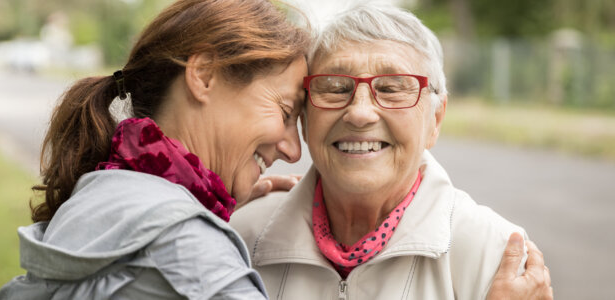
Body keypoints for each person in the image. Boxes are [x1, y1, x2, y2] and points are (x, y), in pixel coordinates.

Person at [230, 3, 553, 299]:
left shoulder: (495, 253)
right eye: (335, 87)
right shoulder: (241, 236)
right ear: (304, 117)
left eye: (392, 88)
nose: (359, 114)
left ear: (435, 120)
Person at [0, 0, 309, 298]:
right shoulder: (194, 255)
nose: (293, 150)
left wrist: (200, 217)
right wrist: (198, 232)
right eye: (285, 112)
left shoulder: (98, 201)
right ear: (204, 75)